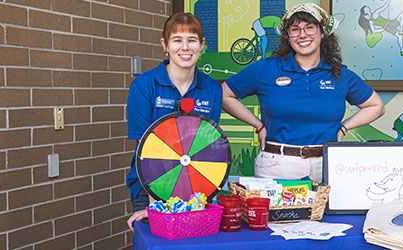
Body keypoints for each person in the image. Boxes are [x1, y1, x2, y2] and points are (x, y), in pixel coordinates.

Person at [222, 3, 386, 183]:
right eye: (295, 29)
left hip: (327, 164)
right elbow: (224, 95)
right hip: (277, 165)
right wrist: (258, 125)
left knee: (326, 213)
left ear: (322, 33)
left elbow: (376, 106)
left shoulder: (340, 74)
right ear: (288, 36)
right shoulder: (266, 68)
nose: (302, 34)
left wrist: (343, 127)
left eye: (310, 27)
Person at [125, 13, 222, 231]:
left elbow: (205, 145)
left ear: (202, 45)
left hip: (196, 186)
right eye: (177, 40)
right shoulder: (144, 86)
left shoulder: (212, 89)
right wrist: (157, 207)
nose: (185, 47)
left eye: (192, 40)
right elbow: (145, 149)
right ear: (165, 45)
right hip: (151, 186)